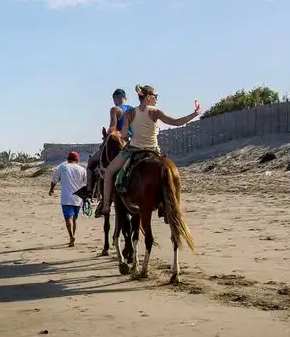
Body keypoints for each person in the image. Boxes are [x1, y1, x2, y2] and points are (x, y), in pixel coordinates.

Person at [96, 85, 201, 218]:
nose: (157, 99)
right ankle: (168, 204)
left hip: (134, 149)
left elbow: (122, 135)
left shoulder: (130, 113)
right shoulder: (156, 112)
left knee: (109, 171)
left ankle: (105, 206)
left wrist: (122, 135)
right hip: (154, 150)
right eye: (155, 96)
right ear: (147, 97)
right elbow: (176, 122)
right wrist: (195, 114)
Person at [86, 89, 135, 194]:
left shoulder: (115, 109)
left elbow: (112, 128)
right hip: (135, 142)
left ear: (115, 99)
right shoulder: (134, 110)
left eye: (114, 100)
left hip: (121, 141)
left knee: (91, 163)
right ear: (125, 98)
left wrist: (106, 136)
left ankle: (89, 191)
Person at [49, 151, 87, 247]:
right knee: (74, 218)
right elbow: (86, 183)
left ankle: (71, 237)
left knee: (68, 218)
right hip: (78, 197)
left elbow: (54, 180)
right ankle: (74, 235)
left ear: (67, 159)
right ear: (77, 160)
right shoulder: (82, 169)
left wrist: (51, 190)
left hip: (66, 197)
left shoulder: (62, 167)